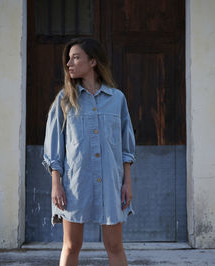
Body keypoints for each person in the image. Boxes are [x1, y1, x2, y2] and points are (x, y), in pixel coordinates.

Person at [42, 37, 136, 266]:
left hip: (111, 183)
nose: (69, 64)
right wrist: (56, 184)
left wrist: (127, 183)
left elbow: (126, 146)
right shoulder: (64, 101)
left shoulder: (117, 99)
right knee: (72, 246)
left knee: (114, 246)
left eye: (76, 57)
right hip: (75, 184)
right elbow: (54, 147)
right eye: (68, 59)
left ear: (93, 61)